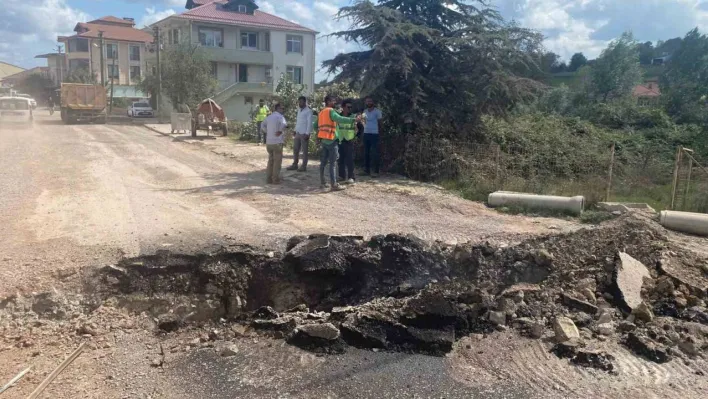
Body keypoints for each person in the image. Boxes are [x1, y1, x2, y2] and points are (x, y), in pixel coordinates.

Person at [313, 95, 359, 191]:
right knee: (333, 164)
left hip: (324, 140)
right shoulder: (331, 111)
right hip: (332, 140)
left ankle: (323, 183)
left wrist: (320, 134)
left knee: (323, 163)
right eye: (333, 100)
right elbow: (340, 119)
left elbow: (314, 125)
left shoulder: (321, 112)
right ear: (329, 101)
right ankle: (334, 184)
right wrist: (353, 120)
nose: (335, 102)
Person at [337, 98, 363, 184]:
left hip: (349, 141)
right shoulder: (338, 116)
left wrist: (357, 137)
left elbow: (361, 128)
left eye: (351, 107)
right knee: (340, 159)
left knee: (349, 160)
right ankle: (341, 176)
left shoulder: (353, 117)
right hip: (340, 140)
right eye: (348, 107)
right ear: (343, 107)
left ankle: (351, 177)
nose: (350, 109)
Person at [260, 103, 287, 184]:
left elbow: (262, 125)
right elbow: (284, 124)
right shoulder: (280, 117)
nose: (283, 110)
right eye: (282, 108)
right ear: (278, 108)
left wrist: (267, 131)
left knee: (270, 160)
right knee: (277, 162)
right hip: (277, 142)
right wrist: (280, 131)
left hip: (269, 143)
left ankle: (268, 179)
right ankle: (275, 179)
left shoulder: (269, 117)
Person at [286, 96, 312, 172]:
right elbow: (298, 121)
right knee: (295, 149)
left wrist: (307, 133)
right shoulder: (299, 110)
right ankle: (295, 164)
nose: (299, 103)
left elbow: (309, 123)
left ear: (305, 102)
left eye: (301, 101)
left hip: (304, 133)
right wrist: (295, 130)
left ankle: (304, 166)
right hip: (297, 132)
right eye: (299, 102)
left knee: (304, 151)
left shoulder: (308, 111)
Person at [362, 97, 383, 177]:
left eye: (370, 101)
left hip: (374, 134)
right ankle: (366, 170)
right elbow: (363, 122)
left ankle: (376, 171)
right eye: (367, 101)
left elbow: (380, 123)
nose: (369, 102)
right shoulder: (364, 112)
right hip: (366, 133)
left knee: (375, 153)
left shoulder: (377, 111)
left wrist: (380, 134)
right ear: (366, 103)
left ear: (373, 102)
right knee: (366, 152)